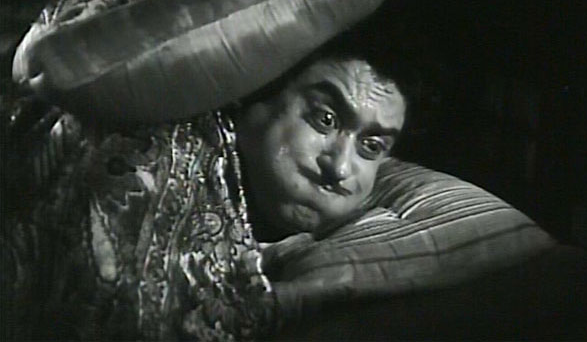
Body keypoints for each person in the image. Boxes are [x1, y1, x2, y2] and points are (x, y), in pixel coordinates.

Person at [1, 28, 409, 341]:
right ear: (256, 98)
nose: (340, 166)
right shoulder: (157, 158)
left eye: (371, 146)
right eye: (325, 119)